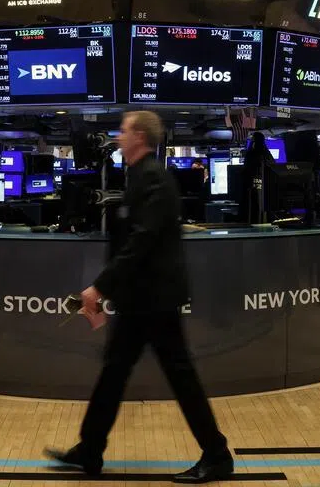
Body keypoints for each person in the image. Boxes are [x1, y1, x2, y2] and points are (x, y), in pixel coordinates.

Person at [46, 111, 232, 483]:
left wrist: (100, 287)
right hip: (139, 298)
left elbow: (141, 243)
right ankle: (90, 449)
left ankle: (216, 454)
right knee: (115, 371)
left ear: (140, 137)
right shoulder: (138, 176)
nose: (118, 135)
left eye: (125, 130)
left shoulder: (154, 179)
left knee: (179, 376)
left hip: (156, 299)